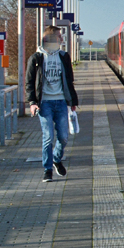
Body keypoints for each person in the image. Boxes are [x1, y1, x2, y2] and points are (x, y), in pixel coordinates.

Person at [25, 26, 79, 183]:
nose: (61, 39)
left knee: (63, 137)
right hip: (44, 103)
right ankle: (47, 169)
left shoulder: (63, 56)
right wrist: (32, 102)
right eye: (58, 37)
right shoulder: (36, 58)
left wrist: (73, 101)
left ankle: (56, 158)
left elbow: (69, 80)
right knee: (48, 137)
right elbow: (29, 82)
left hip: (61, 101)